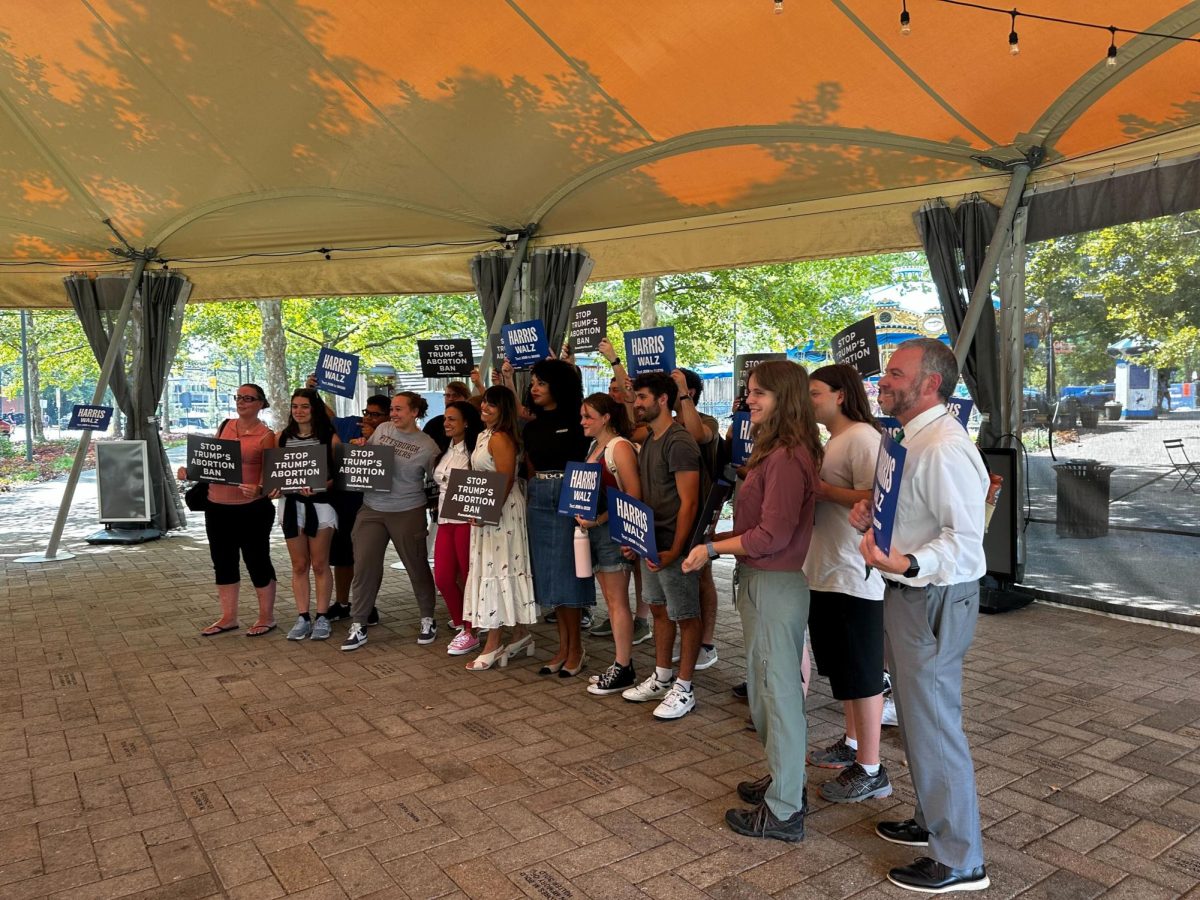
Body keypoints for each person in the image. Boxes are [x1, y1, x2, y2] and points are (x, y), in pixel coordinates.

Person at [850, 337, 990, 894]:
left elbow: (967, 544)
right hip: (909, 593)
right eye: (886, 371)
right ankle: (934, 821)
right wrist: (872, 514)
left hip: (930, 596)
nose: (883, 380)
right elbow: (912, 512)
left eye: (895, 372)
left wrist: (906, 560)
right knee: (913, 717)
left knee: (932, 723)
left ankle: (960, 859)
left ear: (931, 383)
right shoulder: (910, 438)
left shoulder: (944, 447)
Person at [682, 360, 820, 840]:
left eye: (759, 393)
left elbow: (772, 535)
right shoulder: (776, 450)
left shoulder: (785, 456)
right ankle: (787, 781)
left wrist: (712, 547)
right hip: (764, 582)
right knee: (766, 692)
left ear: (786, 397)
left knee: (777, 696)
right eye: (748, 392)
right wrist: (720, 534)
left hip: (775, 585)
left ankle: (785, 810)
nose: (748, 400)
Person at [802, 364, 892, 802]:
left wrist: (820, 490)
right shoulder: (834, 440)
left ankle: (872, 768)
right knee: (843, 670)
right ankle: (853, 744)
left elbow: (879, 498)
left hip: (855, 573)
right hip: (827, 569)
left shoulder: (861, 437)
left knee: (863, 672)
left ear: (840, 395)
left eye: (815, 393)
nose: (809, 400)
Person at [620, 372, 702, 720]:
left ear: (663, 399)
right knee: (657, 609)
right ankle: (662, 675)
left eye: (641, 397)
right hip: (650, 542)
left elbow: (690, 503)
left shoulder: (679, 441)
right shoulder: (651, 440)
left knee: (686, 615)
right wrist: (634, 539)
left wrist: (676, 549)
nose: (636, 404)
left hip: (674, 545)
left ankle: (684, 687)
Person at [341, 391, 441, 651]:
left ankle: (427, 618)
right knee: (364, 566)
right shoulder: (383, 428)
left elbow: (437, 480)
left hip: (408, 510)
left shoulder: (427, 445)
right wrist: (361, 448)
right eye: (393, 409)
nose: (393, 414)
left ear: (414, 412)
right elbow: (370, 459)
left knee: (416, 566)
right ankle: (359, 623)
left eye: (399, 409)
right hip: (372, 508)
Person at [176, 384, 278, 636]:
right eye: (238, 397)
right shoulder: (225, 426)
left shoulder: (266, 436)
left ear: (260, 404)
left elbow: (273, 478)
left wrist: (260, 488)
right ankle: (228, 617)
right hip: (217, 507)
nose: (241, 402)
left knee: (257, 561)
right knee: (222, 562)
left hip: (251, 510)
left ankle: (266, 617)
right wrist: (189, 471)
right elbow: (210, 461)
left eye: (248, 398)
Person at [523, 358, 594, 677]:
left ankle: (576, 649)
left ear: (558, 386)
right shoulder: (533, 424)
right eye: (533, 382)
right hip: (538, 496)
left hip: (570, 497)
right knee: (549, 576)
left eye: (541, 382)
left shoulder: (579, 420)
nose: (534, 388)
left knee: (569, 574)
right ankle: (562, 648)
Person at [461, 386, 537, 669]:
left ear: (503, 409)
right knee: (491, 568)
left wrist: (486, 512)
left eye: (492, 405)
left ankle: (494, 642)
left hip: (501, 512)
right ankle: (521, 633)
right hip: (485, 509)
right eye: (484, 403)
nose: (485, 408)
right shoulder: (483, 435)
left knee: (499, 568)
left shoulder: (502, 437)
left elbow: (505, 480)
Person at [574, 392, 641, 696]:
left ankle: (623, 665)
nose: (583, 421)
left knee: (616, 602)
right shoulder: (595, 446)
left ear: (606, 417)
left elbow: (633, 497)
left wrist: (599, 520)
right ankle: (620, 663)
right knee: (611, 602)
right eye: (582, 416)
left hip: (612, 532)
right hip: (596, 531)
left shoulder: (619, 447)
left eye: (588, 416)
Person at [272, 388, 340, 641]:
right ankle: (302, 616)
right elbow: (274, 474)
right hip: (290, 506)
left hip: (320, 506)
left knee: (320, 563)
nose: (298, 411)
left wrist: (322, 485)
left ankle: (322, 616)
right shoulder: (281, 438)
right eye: (295, 406)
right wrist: (272, 488)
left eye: (305, 406)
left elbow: (338, 478)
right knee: (299, 564)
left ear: (315, 409)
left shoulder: (329, 438)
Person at [671, 367, 722, 671]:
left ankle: (706, 643)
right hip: (673, 511)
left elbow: (696, 435)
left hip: (701, 509)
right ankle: (688, 638)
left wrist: (681, 392)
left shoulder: (707, 421)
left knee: (702, 575)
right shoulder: (666, 425)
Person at [326, 395, 389, 621]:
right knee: (342, 557)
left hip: (372, 506)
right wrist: (312, 390)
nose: (368, 418)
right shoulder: (351, 426)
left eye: (375, 414)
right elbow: (327, 415)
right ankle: (342, 603)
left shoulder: (393, 435)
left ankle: (367, 605)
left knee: (366, 559)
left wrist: (374, 440)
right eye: (366, 412)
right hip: (343, 502)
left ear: (388, 416)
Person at [434, 400, 485, 654]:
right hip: (444, 520)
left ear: (466, 423)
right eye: (445, 418)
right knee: (442, 577)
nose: (447, 423)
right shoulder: (445, 449)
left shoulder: (473, 453)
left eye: (452, 419)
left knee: (468, 576)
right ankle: (462, 620)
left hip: (466, 520)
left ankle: (471, 630)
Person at [424, 381, 472, 453]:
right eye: (447, 395)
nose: (451, 399)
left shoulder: (475, 423)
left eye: (455, 395)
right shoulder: (434, 423)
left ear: (467, 398)